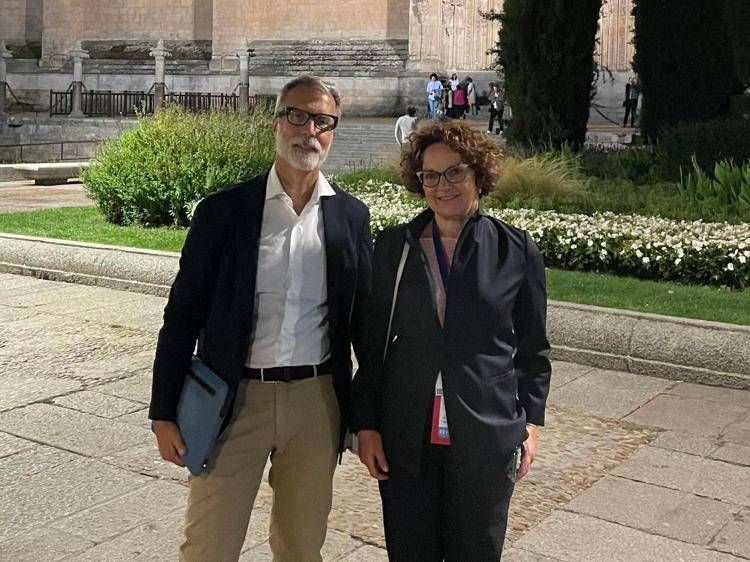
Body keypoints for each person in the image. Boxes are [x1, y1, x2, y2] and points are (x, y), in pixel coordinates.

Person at [149, 75, 373, 562]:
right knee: (209, 545)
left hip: (316, 403)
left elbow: (362, 328)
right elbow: (182, 315)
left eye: (322, 120)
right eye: (297, 115)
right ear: (276, 122)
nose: (308, 130)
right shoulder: (224, 212)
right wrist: (164, 410)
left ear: (333, 131)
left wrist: (366, 417)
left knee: (300, 546)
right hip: (234, 398)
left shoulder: (350, 218)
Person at [351, 120, 551, 561]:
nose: (443, 185)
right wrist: (366, 425)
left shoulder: (515, 250)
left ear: (478, 173)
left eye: (455, 172)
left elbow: (533, 351)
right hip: (407, 435)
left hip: (484, 435)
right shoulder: (394, 247)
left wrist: (531, 424)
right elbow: (370, 346)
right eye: (431, 175)